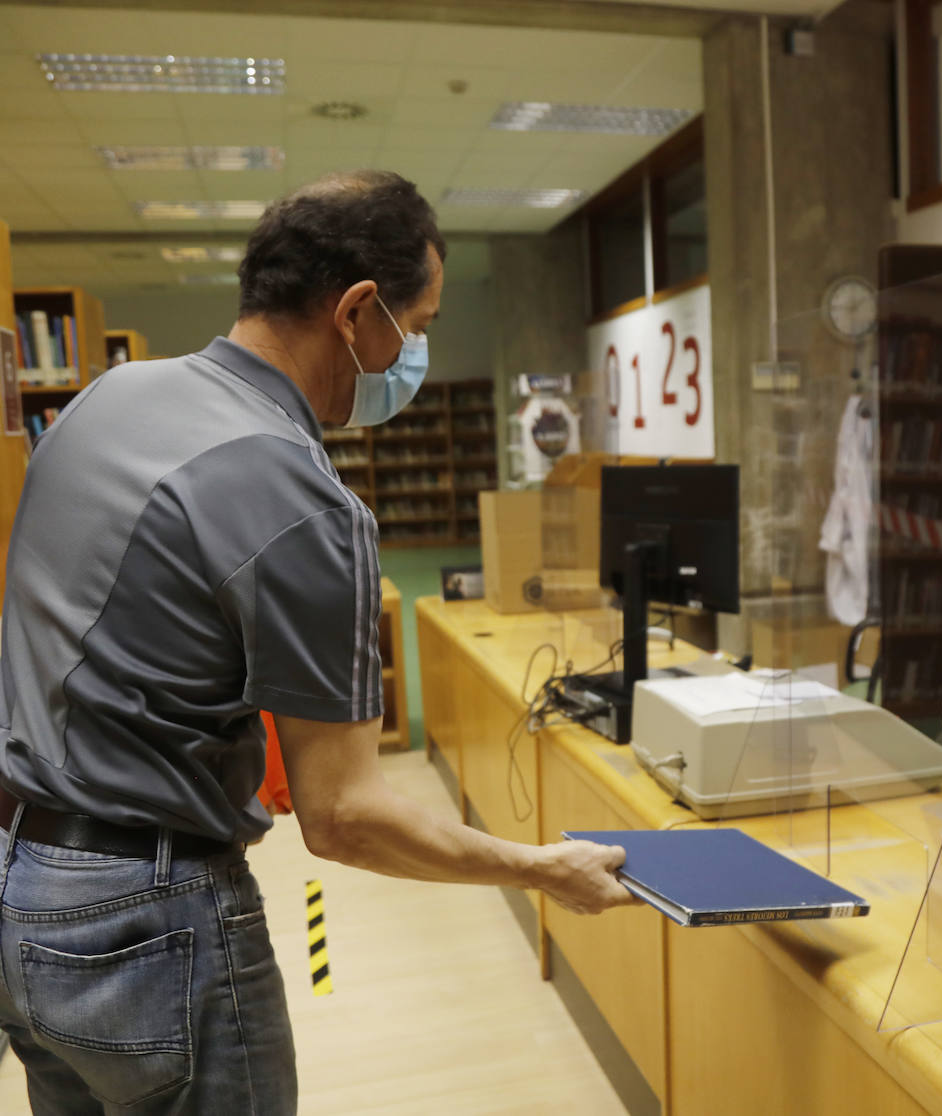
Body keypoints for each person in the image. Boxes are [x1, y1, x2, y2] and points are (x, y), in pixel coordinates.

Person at [0, 170, 634, 1115]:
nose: (412, 355)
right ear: (356, 313)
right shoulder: (300, 496)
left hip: (22, 889)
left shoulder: (106, 401)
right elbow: (346, 816)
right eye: (413, 327)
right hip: (151, 918)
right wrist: (540, 868)